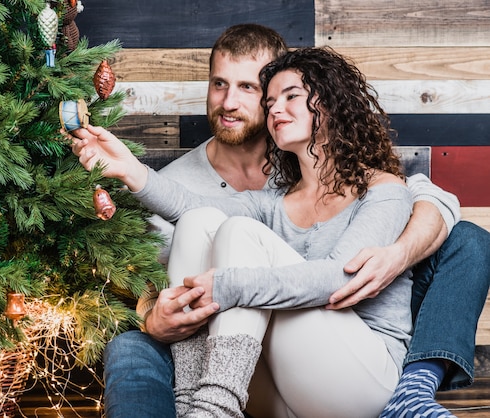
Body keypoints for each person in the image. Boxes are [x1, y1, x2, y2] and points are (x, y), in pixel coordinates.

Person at [91, 25, 490, 418]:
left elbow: (339, 279)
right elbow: (190, 205)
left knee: (242, 232)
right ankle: (199, 404)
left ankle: (214, 407)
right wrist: (130, 170)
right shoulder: (274, 201)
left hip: (360, 381)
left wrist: (230, 286)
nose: (274, 108)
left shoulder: (381, 189)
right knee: (201, 220)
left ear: (330, 104)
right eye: (271, 102)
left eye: (290, 97)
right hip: (282, 390)